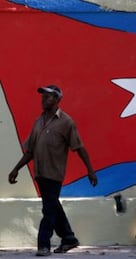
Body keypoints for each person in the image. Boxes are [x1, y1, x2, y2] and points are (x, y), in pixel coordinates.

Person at [8, 85, 98, 257]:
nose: (43, 100)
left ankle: (43, 244)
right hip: (40, 173)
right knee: (53, 206)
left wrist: (90, 170)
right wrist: (16, 169)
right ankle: (69, 238)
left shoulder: (66, 122)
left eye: (48, 97)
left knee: (48, 209)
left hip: (54, 173)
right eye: (43, 97)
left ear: (57, 100)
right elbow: (30, 151)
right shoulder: (38, 122)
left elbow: (79, 148)